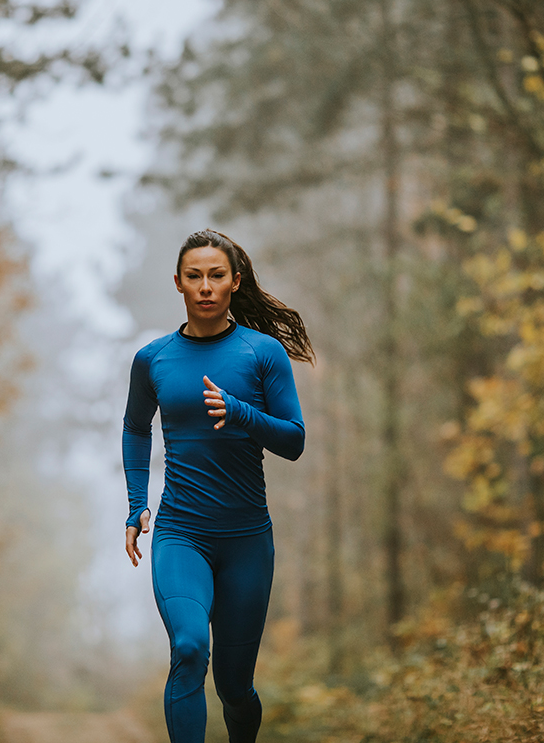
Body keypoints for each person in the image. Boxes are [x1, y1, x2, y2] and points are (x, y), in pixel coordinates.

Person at [122, 229, 314, 743]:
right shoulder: (153, 359)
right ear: (179, 284)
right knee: (188, 648)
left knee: (234, 686)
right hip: (181, 533)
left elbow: (294, 441)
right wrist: (136, 506)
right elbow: (136, 427)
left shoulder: (263, 353)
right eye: (194, 276)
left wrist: (241, 412)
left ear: (235, 282)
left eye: (216, 275)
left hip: (247, 539)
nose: (205, 286)